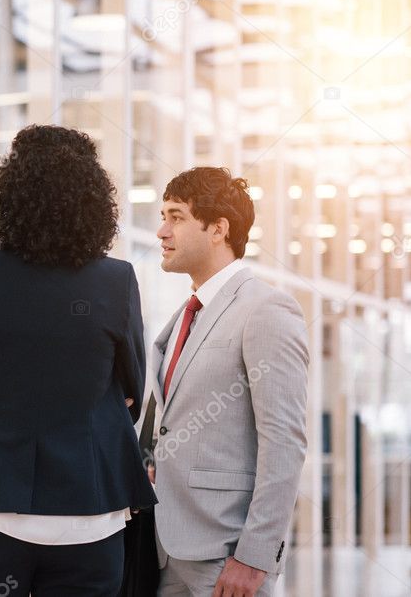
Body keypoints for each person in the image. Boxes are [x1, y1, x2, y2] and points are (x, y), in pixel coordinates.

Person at [0, 125, 157, 596]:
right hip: (89, 509)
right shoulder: (115, 282)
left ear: (8, 190)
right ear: (93, 197)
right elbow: (132, 391)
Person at [150, 167, 308, 597]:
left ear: (218, 228)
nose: (162, 231)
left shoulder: (267, 309)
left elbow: (285, 440)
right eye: (163, 216)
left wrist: (256, 556)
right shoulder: (186, 313)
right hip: (165, 550)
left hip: (226, 557)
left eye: (177, 217)